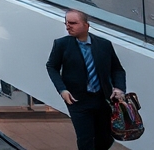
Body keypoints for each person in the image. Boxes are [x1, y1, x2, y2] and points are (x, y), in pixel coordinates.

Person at [46, 9, 125, 150]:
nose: (68, 26)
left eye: (73, 23)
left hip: (102, 99)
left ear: (86, 25)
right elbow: (52, 67)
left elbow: (117, 69)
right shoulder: (61, 44)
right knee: (85, 139)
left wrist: (119, 88)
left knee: (104, 138)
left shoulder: (103, 45)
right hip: (77, 100)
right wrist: (62, 89)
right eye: (66, 23)